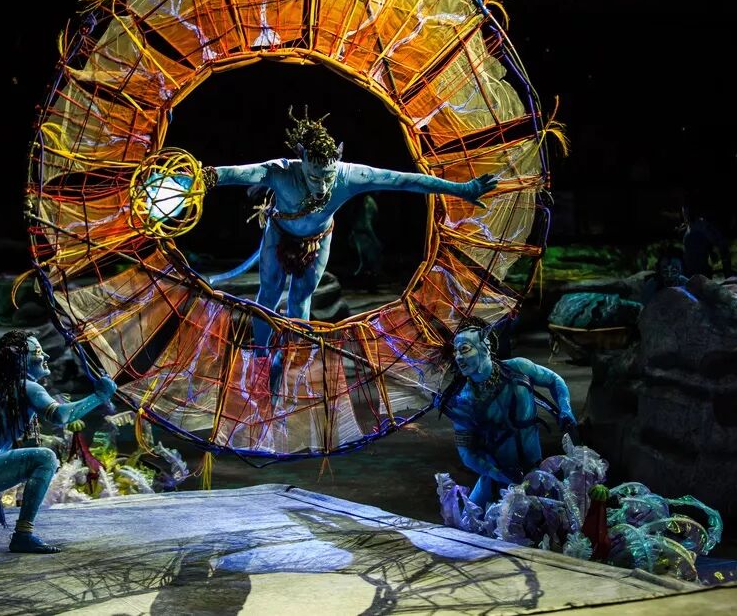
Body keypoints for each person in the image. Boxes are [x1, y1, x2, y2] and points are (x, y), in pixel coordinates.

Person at [203, 108, 497, 349]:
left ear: (339, 160)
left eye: (327, 177)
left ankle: (295, 355)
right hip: (278, 232)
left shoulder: (349, 176)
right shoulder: (281, 171)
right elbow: (234, 174)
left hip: (318, 239)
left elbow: (405, 180)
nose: (322, 186)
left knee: (300, 298)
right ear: (301, 158)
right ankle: (260, 356)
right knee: (269, 292)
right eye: (314, 177)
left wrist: (462, 189)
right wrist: (201, 178)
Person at [0, 331, 117, 553]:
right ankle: (23, 534)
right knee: (46, 458)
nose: (46, 356)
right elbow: (60, 416)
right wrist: (100, 396)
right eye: (38, 352)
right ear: (20, 358)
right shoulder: (27, 386)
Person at [442, 317, 576, 508]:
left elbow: (554, 380)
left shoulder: (519, 368)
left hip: (536, 470)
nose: (458, 357)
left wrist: (565, 408)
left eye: (464, 349)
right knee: (470, 521)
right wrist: (498, 474)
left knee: (559, 516)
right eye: (455, 351)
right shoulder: (464, 401)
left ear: (485, 346)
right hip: (497, 479)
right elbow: (467, 454)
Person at [681, 204, 733, 279]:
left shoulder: (703, 226)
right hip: (689, 275)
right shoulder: (689, 228)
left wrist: (728, 273)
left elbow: (722, 246)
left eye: (686, 212)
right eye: (684, 212)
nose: (685, 215)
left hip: (702, 275)